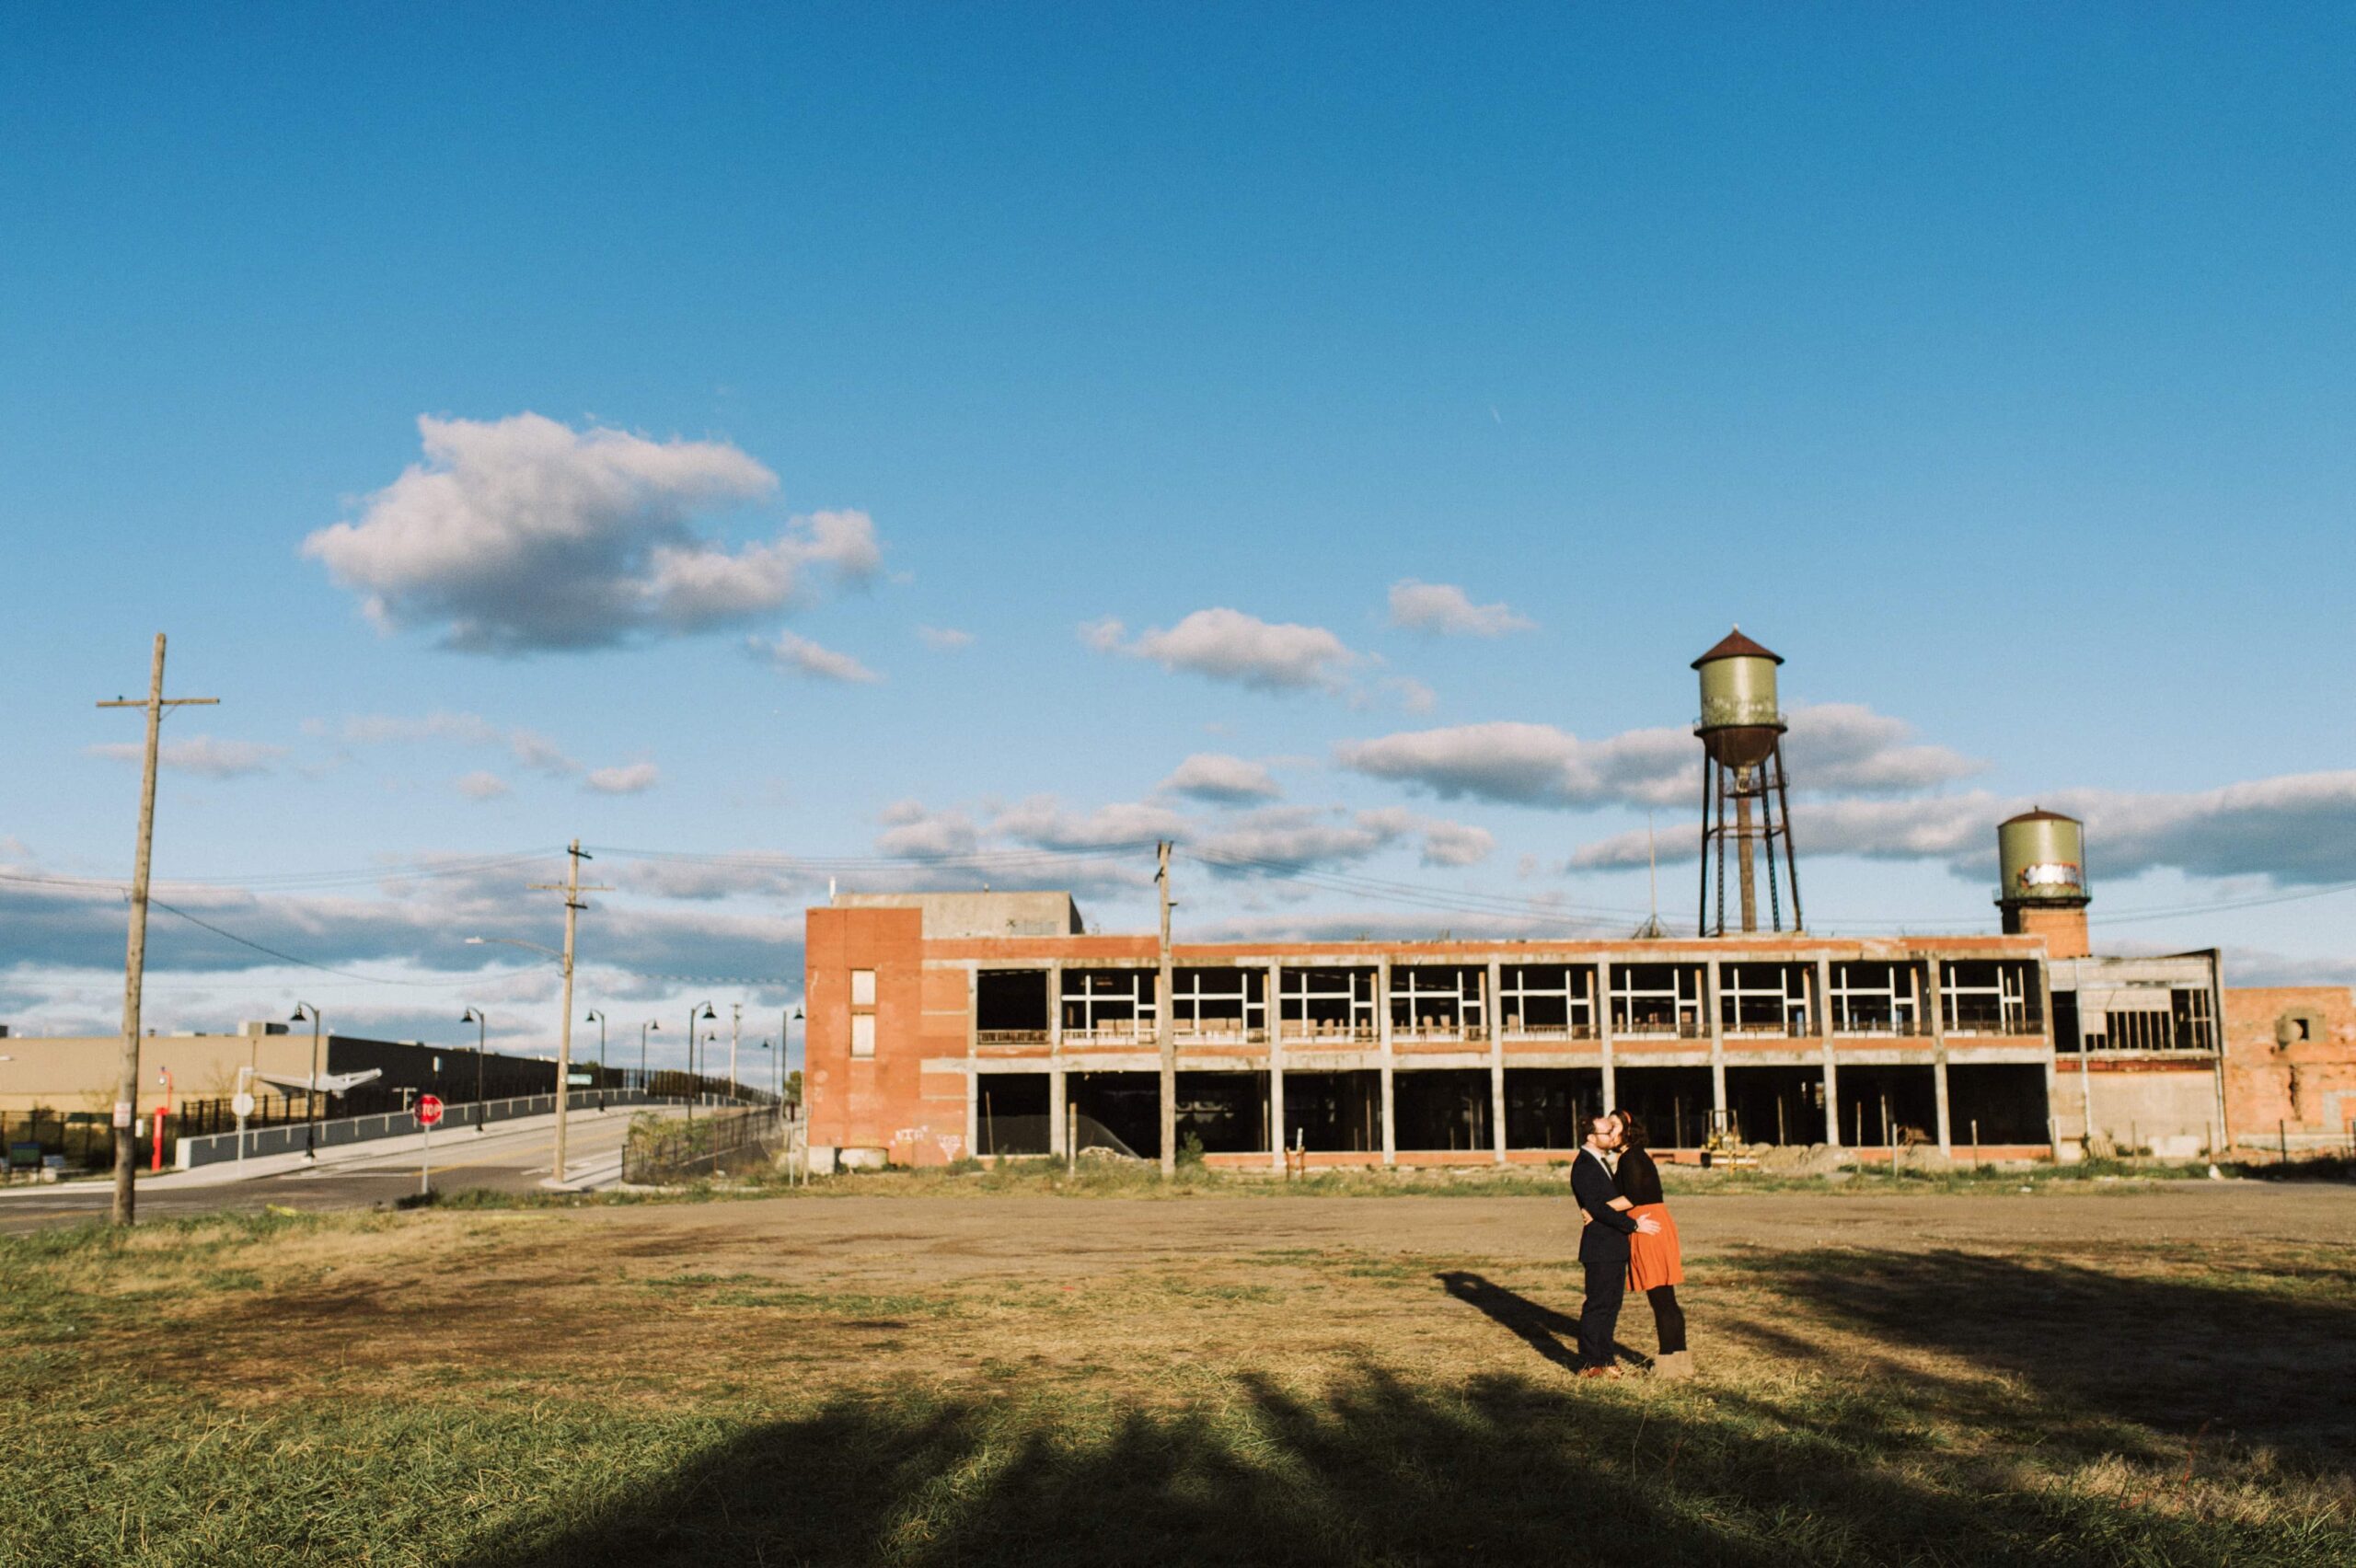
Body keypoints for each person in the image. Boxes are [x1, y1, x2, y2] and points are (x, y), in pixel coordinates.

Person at [1571, 1112, 1658, 1377]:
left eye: (1612, 1130)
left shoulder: (1601, 1161)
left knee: (1611, 1306)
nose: (1611, 1135)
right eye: (1606, 1132)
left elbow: (1601, 1205)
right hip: (1599, 1247)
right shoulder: (1584, 1165)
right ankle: (1590, 1363)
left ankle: (1606, 1359)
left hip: (1612, 1246)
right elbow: (1597, 1207)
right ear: (1590, 1137)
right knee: (1598, 1306)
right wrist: (1634, 1225)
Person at [1607, 1109, 1692, 1379]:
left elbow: (1632, 1197)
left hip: (1647, 1224)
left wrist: (1597, 1210)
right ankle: (1681, 1361)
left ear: (1627, 1129)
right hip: (1654, 1221)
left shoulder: (1631, 1157)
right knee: (1666, 1298)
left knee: (1661, 1298)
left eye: (1613, 1126)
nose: (1609, 1131)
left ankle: (1668, 1364)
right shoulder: (1633, 1156)